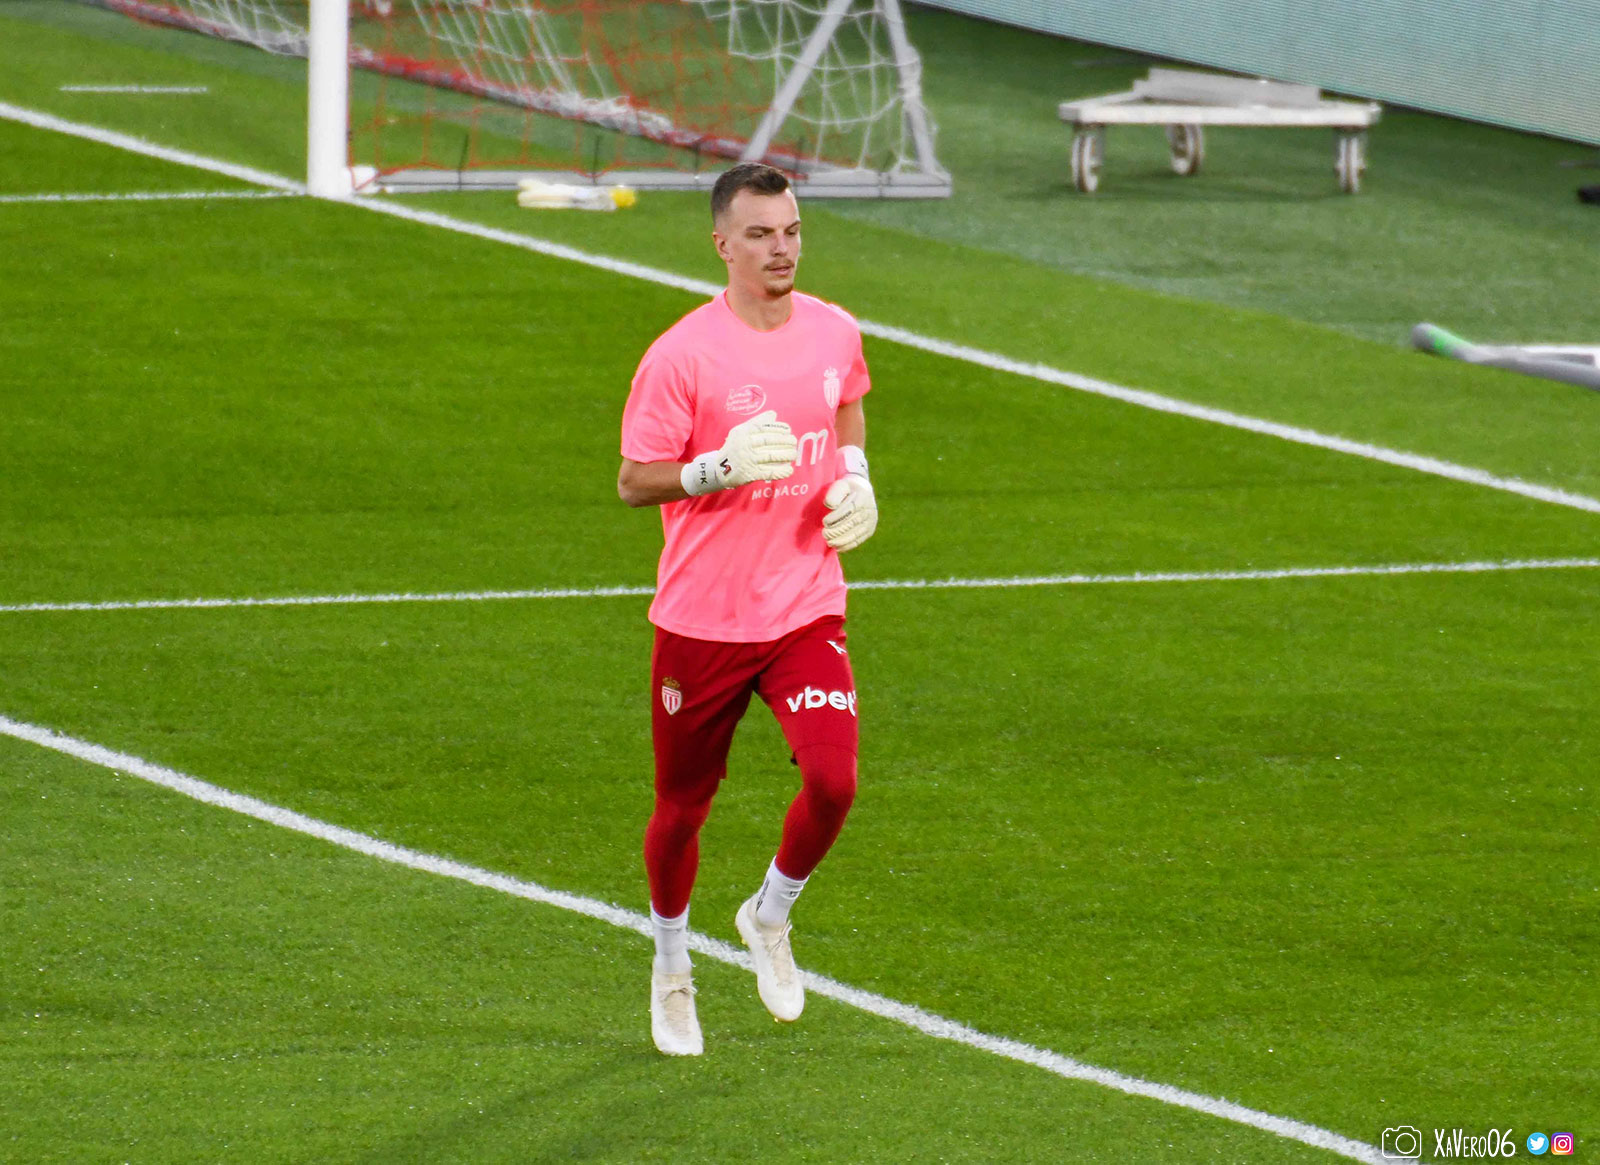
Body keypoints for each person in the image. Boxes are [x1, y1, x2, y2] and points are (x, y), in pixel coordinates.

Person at [617, 162, 879, 1057]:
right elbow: (634, 480)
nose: (782, 249)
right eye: (761, 234)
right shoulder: (682, 355)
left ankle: (769, 913)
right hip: (704, 620)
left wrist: (857, 477)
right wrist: (712, 468)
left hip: (806, 605)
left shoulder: (834, 330)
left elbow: (847, 405)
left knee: (835, 781)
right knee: (682, 808)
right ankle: (670, 966)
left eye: (792, 231)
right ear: (722, 244)